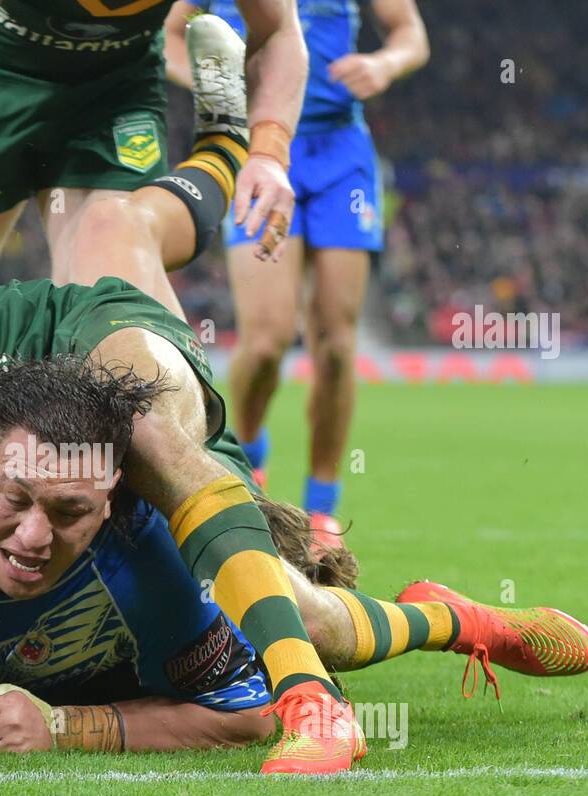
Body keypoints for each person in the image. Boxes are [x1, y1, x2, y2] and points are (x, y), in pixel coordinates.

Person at [0, 357, 588, 764]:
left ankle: (459, 621)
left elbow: (249, 720)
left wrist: (69, 731)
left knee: (311, 623)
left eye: (69, 511)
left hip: (124, 666)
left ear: (112, 497)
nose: (33, 539)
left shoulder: (148, 570)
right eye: (12, 500)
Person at [166, 0, 428, 543]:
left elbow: (411, 34)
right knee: (267, 341)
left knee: (335, 345)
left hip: (341, 154)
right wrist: (215, 87)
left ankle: (322, 508)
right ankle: (250, 458)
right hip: (257, 149)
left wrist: (384, 64)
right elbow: (166, 36)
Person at [0, 3, 306, 319]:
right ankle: (224, 146)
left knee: (107, 298)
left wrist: (269, 152)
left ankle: (168, 419)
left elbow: (277, 31)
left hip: (114, 87)